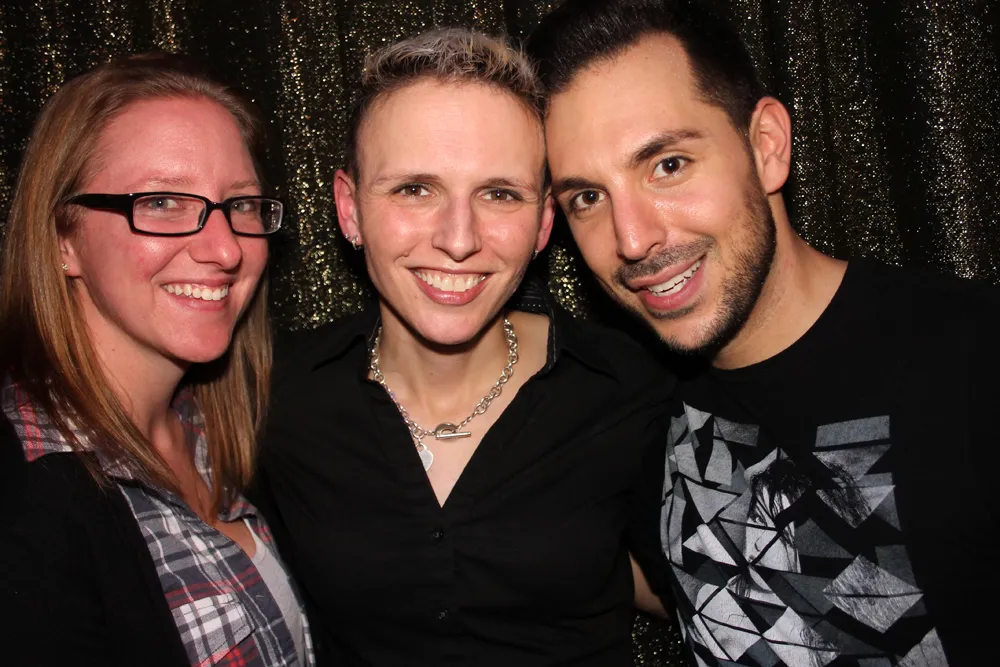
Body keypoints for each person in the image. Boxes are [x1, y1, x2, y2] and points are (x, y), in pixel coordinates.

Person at [528, 1, 999, 665]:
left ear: (767, 146)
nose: (632, 238)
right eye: (587, 197)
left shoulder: (973, 358)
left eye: (668, 165)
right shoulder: (625, 410)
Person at [253, 28, 671, 666]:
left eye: (499, 194)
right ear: (349, 209)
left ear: (543, 223)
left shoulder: (631, 389)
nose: (458, 239)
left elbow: (707, 593)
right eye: (414, 189)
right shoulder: (275, 396)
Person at [0, 53, 314, 667]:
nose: (225, 249)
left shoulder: (225, 426)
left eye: (241, 205)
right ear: (64, 239)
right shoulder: (25, 503)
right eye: (164, 202)